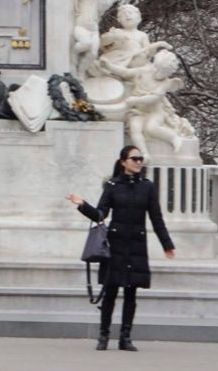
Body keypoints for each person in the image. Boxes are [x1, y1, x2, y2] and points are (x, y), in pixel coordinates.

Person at [68, 145, 176, 351]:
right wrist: (82, 204)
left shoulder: (147, 187)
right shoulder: (113, 185)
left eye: (140, 159)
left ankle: (125, 337)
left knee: (131, 293)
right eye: (134, 158)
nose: (138, 162)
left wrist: (167, 245)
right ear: (123, 161)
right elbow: (101, 215)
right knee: (110, 291)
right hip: (115, 245)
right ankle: (104, 335)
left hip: (136, 244)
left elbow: (156, 218)